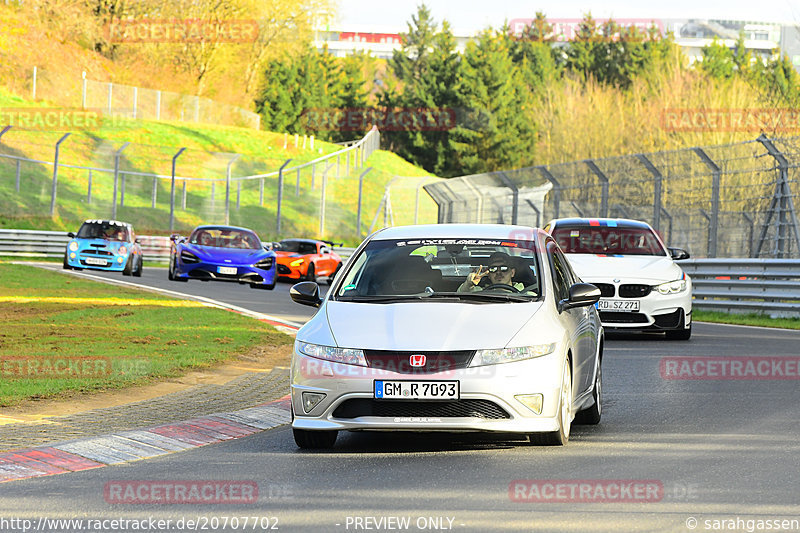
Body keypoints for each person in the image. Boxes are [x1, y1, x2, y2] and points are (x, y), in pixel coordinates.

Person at [457, 251, 526, 293]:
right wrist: (468, 283)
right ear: (489, 275)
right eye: (493, 269)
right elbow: (461, 295)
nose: (498, 272)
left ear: (512, 272)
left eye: (503, 268)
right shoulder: (479, 292)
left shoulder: (528, 296)